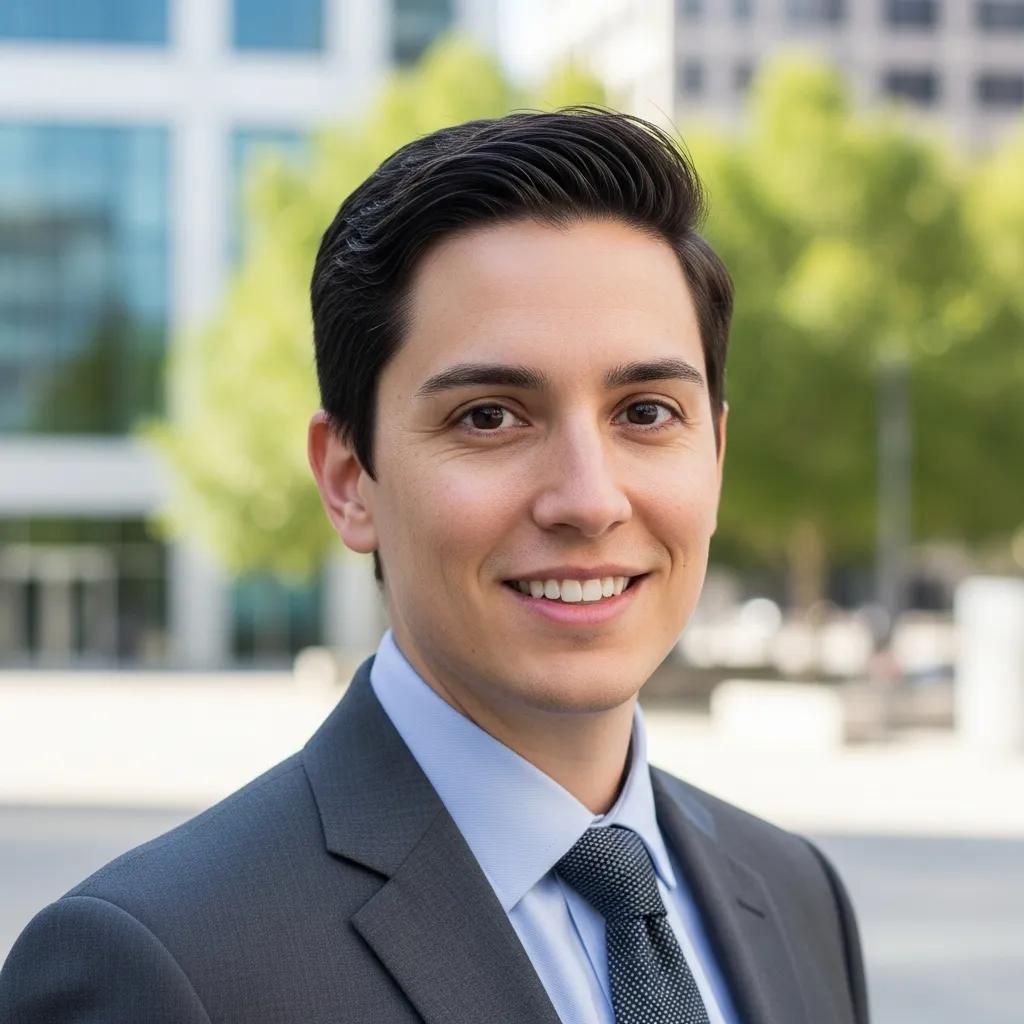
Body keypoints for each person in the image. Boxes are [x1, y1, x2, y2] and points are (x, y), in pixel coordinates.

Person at [0, 106, 869, 1024]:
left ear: (717, 457)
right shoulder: (155, 966)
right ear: (349, 481)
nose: (590, 498)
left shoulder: (796, 896)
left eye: (646, 412)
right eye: (490, 416)